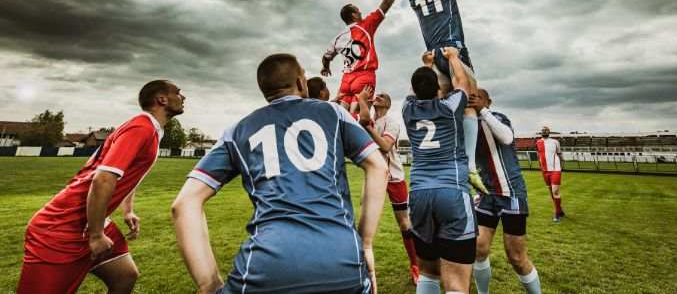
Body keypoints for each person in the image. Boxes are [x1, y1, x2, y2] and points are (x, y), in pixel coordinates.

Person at [171, 53, 388, 294]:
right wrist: (365, 242)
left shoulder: (237, 130)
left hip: (265, 265)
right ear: (300, 82)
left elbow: (184, 204)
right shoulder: (333, 113)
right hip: (342, 258)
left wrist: (208, 283)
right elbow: (378, 166)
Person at [17, 80, 185, 294]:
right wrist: (96, 235)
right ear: (162, 99)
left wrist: (128, 209)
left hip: (91, 221)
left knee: (124, 276)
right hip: (61, 227)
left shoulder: (149, 129)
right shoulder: (141, 127)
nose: (183, 97)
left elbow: (126, 175)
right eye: (178, 93)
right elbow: (103, 178)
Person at [383, 0, 487, 195]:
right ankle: (468, 166)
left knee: (441, 102)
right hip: (454, 50)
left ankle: (443, 161)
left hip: (432, 54)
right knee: (468, 103)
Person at [402, 47, 476, 294]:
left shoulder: (407, 109)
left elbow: (417, 88)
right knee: (456, 282)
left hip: (420, 195)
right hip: (451, 191)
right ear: (437, 89)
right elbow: (462, 83)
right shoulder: (449, 106)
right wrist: (453, 57)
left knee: (428, 273)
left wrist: (426, 64)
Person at [469, 89, 541, 294]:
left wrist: (482, 110)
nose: (473, 100)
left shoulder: (497, 118)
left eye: (479, 97)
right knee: (479, 248)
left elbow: (507, 138)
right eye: (470, 97)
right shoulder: (467, 125)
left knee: (516, 257)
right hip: (487, 196)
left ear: (488, 102)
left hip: (511, 195)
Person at [357, 89, 420, 285]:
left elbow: (385, 146)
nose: (378, 96)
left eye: (383, 96)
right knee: (364, 225)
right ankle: (361, 267)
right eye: (378, 95)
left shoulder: (391, 122)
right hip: (374, 177)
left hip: (394, 178)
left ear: (388, 104)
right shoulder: (364, 119)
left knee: (405, 224)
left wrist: (367, 127)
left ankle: (416, 265)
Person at [322, 0, 403, 113]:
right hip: (364, 77)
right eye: (358, 10)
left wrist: (326, 67)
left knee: (344, 117)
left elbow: (326, 57)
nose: (360, 11)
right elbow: (386, 4)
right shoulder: (365, 26)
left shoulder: (336, 39)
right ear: (354, 15)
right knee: (358, 119)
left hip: (346, 81)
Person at [536, 126, 565, 221]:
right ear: (541, 132)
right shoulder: (538, 142)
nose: (544, 131)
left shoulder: (555, 142)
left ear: (549, 132)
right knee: (551, 192)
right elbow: (538, 155)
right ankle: (560, 210)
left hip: (555, 169)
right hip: (545, 171)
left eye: (546, 130)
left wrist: (561, 166)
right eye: (543, 130)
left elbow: (560, 154)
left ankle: (557, 214)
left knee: (555, 192)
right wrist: (540, 167)